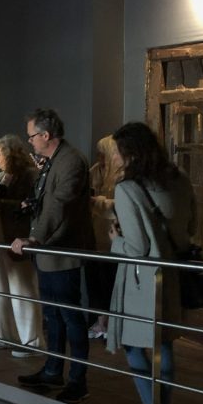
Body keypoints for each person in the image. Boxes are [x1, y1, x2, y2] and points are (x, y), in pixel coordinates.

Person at [107, 122, 197, 404]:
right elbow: (190, 228)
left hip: (140, 280)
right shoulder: (179, 179)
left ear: (130, 153)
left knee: (133, 346)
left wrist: (114, 239)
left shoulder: (127, 189)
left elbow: (137, 246)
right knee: (164, 343)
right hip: (173, 273)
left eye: (118, 152)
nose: (115, 159)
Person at [11, 108, 94, 404]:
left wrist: (34, 237)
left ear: (46, 135)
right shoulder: (52, 161)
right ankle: (52, 370)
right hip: (48, 253)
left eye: (32, 136)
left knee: (71, 317)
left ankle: (77, 380)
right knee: (53, 317)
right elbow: (48, 201)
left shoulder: (71, 161)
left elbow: (60, 204)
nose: (30, 142)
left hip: (62, 253)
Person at [0, 135, 43, 357]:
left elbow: (32, 207)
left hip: (18, 240)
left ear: (10, 154)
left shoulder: (31, 177)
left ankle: (31, 341)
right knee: (0, 289)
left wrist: (8, 204)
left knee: (22, 289)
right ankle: (7, 335)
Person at [86, 135, 123, 339]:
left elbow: (122, 205)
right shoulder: (94, 171)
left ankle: (109, 323)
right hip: (94, 236)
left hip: (113, 237)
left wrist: (98, 202)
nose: (99, 157)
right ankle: (99, 321)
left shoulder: (122, 175)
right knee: (95, 282)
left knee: (110, 282)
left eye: (103, 153)